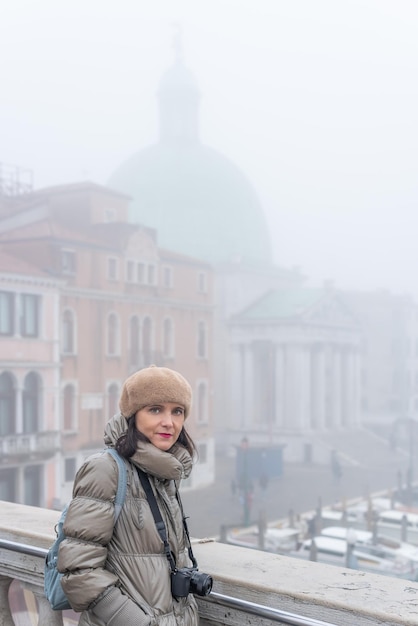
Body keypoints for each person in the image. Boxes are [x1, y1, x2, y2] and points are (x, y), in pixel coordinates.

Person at [58, 365, 200, 626]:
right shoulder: (106, 469)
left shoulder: (164, 473)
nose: (169, 422)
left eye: (177, 411)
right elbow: (78, 571)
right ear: (133, 415)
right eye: (155, 409)